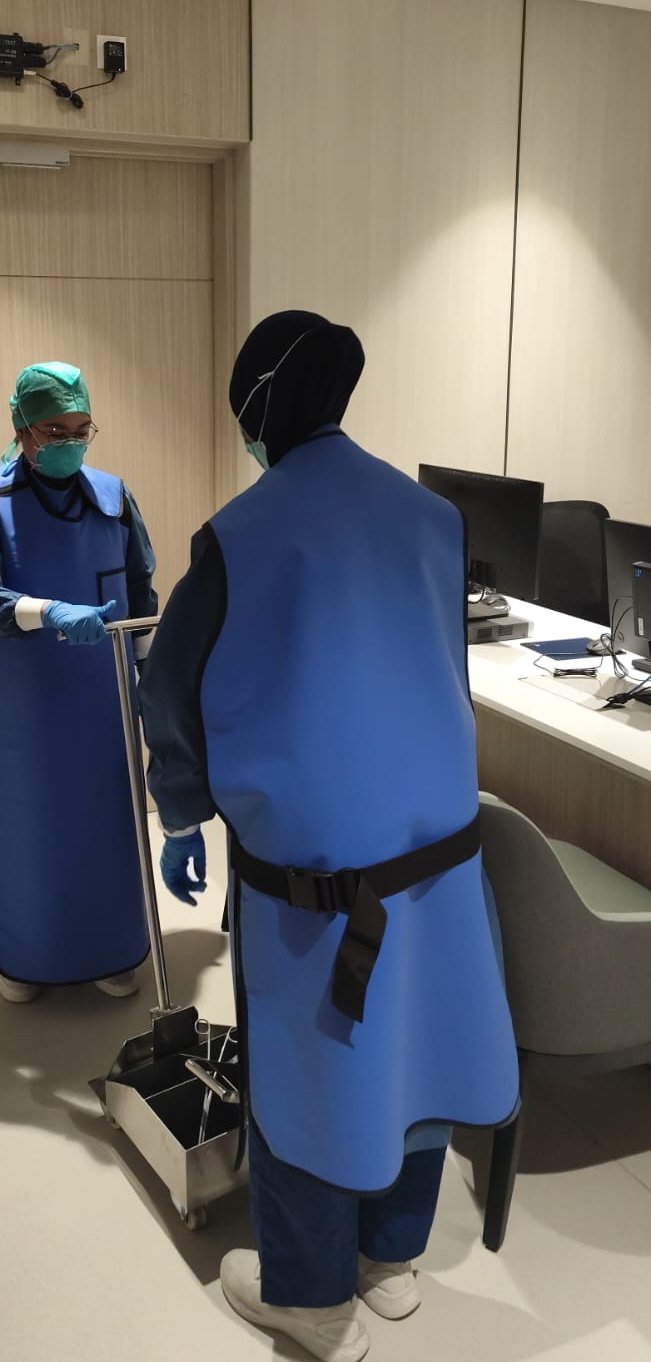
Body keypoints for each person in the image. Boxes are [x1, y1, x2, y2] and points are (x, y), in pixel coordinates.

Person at [139, 312, 519, 1362]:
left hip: (311, 884)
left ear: (258, 410)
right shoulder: (432, 517)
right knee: (413, 1046)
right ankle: (388, 1260)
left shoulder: (238, 536)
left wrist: (181, 807)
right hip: (437, 863)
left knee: (311, 1073)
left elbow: (170, 687)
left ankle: (310, 1298)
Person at [0, 361, 157, 1004]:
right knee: (33, 831)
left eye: (80, 429)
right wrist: (49, 612)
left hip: (103, 703)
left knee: (107, 825)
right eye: (53, 431)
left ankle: (111, 949)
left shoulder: (113, 499)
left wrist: (150, 677)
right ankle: (28, 958)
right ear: (22, 428)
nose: (69, 442)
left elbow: (140, 589)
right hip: (28, 711)